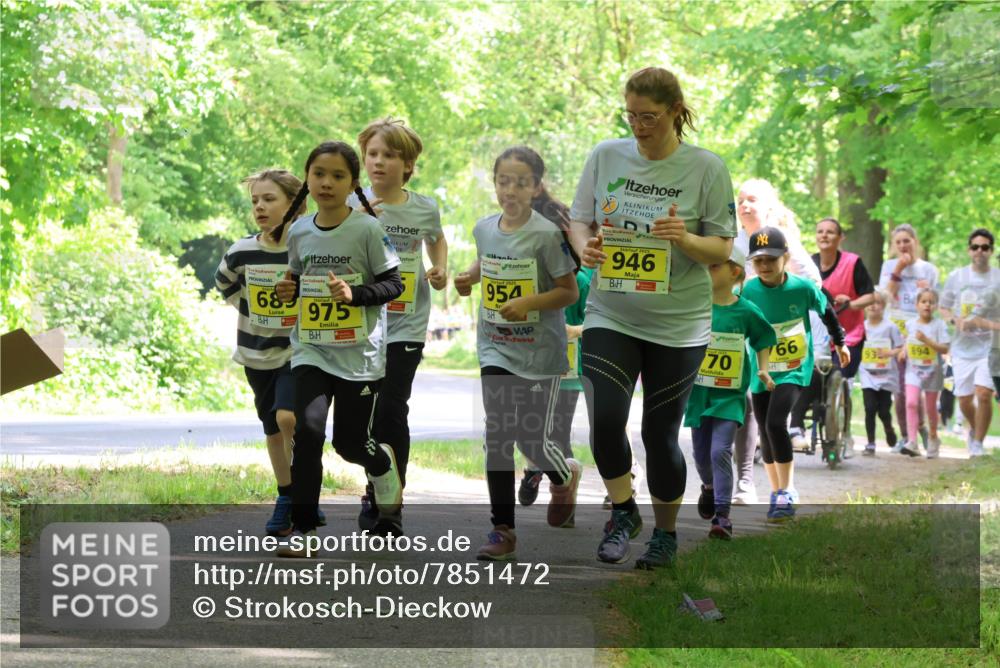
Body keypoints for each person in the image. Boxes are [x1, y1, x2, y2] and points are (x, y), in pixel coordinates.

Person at [568, 66, 737, 569]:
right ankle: (623, 512)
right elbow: (580, 220)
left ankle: (664, 534)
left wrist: (683, 238)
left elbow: (722, 248)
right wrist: (586, 251)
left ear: (676, 113)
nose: (639, 126)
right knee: (604, 418)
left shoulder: (705, 168)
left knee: (659, 433)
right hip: (611, 313)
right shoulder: (606, 155)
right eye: (632, 115)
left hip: (678, 324)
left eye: (651, 117)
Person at [272, 141, 405, 557]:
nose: (326, 183)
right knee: (308, 431)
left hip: (359, 356)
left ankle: (381, 464)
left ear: (353, 183)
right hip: (312, 349)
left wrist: (354, 294)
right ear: (307, 179)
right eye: (319, 174)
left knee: (349, 445)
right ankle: (305, 529)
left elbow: (394, 285)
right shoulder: (299, 230)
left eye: (337, 176)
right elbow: (296, 282)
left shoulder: (366, 229)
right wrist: (285, 290)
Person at [454, 146, 582, 561]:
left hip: (539, 355)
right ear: (495, 184)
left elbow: (568, 290)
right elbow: (486, 260)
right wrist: (468, 278)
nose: (510, 190)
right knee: (498, 433)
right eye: (503, 181)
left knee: (532, 440)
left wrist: (527, 303)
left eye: (521, 182)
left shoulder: (546, 234)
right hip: (495, 346)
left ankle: (564, 473)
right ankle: (502, 530)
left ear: (536, 187)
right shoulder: (485, 227)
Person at [352, 118, 448, 535]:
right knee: (362, 415)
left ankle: (389, 502)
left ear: (407, 165)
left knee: (393, 408)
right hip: (359, 325)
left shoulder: (423, 206)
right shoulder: (352, 204)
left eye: (389, 156)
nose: (379, 162)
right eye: (372, 154)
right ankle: (377, 480)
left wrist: (439, 266)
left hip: (406, 324)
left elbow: (436, 238)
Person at [215, 169, 310, 536]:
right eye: (255, 200)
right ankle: (286, 495)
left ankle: (304, 490)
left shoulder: (304, 249)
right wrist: (251, 308)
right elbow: (224, 283)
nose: (260, 206)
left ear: (295, 206)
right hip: (255, 353)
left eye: (269, 199)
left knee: (288, 418)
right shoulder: (242, 251)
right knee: (272, 429)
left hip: (295, 350)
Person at [741, 227, 848, 522]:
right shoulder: (748, 289)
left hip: (794, 366)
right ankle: (777, 493)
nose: (764, 266)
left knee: (776, 423)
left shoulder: (802, 288)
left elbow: (827, 311)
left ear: (785, 258)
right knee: (764, 429)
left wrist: (840, 342)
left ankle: (788, 490)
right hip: (762, 368)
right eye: (758, 260)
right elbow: (737, 318)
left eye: (771, 260)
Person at [732, 178, 820, 503]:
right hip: (739, 333)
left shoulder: (783, 241)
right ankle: (750, 481)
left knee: (766, 417)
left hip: (782, 344)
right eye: (740, 200)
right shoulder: (732, 241)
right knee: (743, 407)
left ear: (767, 206)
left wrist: (773, 286)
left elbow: (813, 282)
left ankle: (757, 484)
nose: (744, 205)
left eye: (751, 199)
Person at [684, 245, 775, 539]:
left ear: (734, 271)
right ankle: (709, 488)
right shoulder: (694, 305)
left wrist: (764, 369)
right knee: (700, 454)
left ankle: (722, 517)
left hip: (730, 395)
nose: (707, 271)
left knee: (720, 450)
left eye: (713, 266)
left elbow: (764, 337)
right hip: (699, 395)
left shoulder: (746, 310)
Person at [788, 217, 875, 458]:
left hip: (848, 335)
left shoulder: (852, 263)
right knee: (810, 370)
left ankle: (842, 430)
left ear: (840, 238)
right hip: (815, 333)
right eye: (820, 232)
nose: (824, 236)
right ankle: (792, 423)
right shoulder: (807, 265)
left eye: (830, 232)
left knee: (838, 376)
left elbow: (871, 297)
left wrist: (851, 303)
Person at [878, 223, 939, 453]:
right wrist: (899, 270)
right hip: (895, 330)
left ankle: (921, 429)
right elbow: (886, 296)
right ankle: (907, 435)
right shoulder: (889, 265)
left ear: (915, 242)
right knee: (900, 387)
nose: (903, 245)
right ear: (894, 245)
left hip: (920, 332)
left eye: (907, 240)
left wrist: (927, 291)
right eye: (899, 242)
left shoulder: (929, 269)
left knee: (917, 385)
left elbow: (935, 302)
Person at [939, 228, 1000, 458]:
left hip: (991, 348)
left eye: (985, 247)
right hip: (962, 348)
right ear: (969, 250)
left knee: (984, 393)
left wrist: (982, 323)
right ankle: (974, 431)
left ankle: (978, 443)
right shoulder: (957, 277)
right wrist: (955, 319)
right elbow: (943, 307)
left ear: (991, 251)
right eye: (975, 247)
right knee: (964, 400)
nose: (979, 251)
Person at [901, 289, 950, 458]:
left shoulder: (939, 325)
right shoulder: (910, 324)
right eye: (923, 301)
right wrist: (903, 350)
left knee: (930, 408)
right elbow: (908, 340)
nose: (927, 305)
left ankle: (933, 437)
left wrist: (927, 341)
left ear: (935, 306)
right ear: (916, 305)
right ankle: (912, 442)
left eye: (931, 302)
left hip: (933, 370)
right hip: (913, 369)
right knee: (911, 403)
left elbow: (945, 348)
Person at [858, 290, 904, 455]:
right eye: (870, 302)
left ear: (883, 307)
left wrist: (889, 353)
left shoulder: (890, 326)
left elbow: (900, 347)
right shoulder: (861, 326)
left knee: (883, 410)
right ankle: (870, 443)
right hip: (867, 373)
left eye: (877, 303)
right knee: (870, 408)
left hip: (886, 374)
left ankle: (889, 428)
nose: (873, 306)